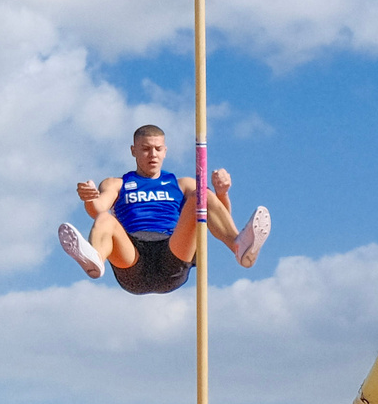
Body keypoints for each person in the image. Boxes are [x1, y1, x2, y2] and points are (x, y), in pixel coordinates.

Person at [58, 123, 270, 294]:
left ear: (165, 151)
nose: (153, 154)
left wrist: (222, 193)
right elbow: (97, 209)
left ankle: (239, 247)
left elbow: (215, 217)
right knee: (105, 219)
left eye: (158, 149)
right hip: (133, 260)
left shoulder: (182, 184)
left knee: (202, 196)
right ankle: (95, 260)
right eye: (145, 149)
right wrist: (89, 197)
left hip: (172, 254)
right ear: (133, 151)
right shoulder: (116, 183)